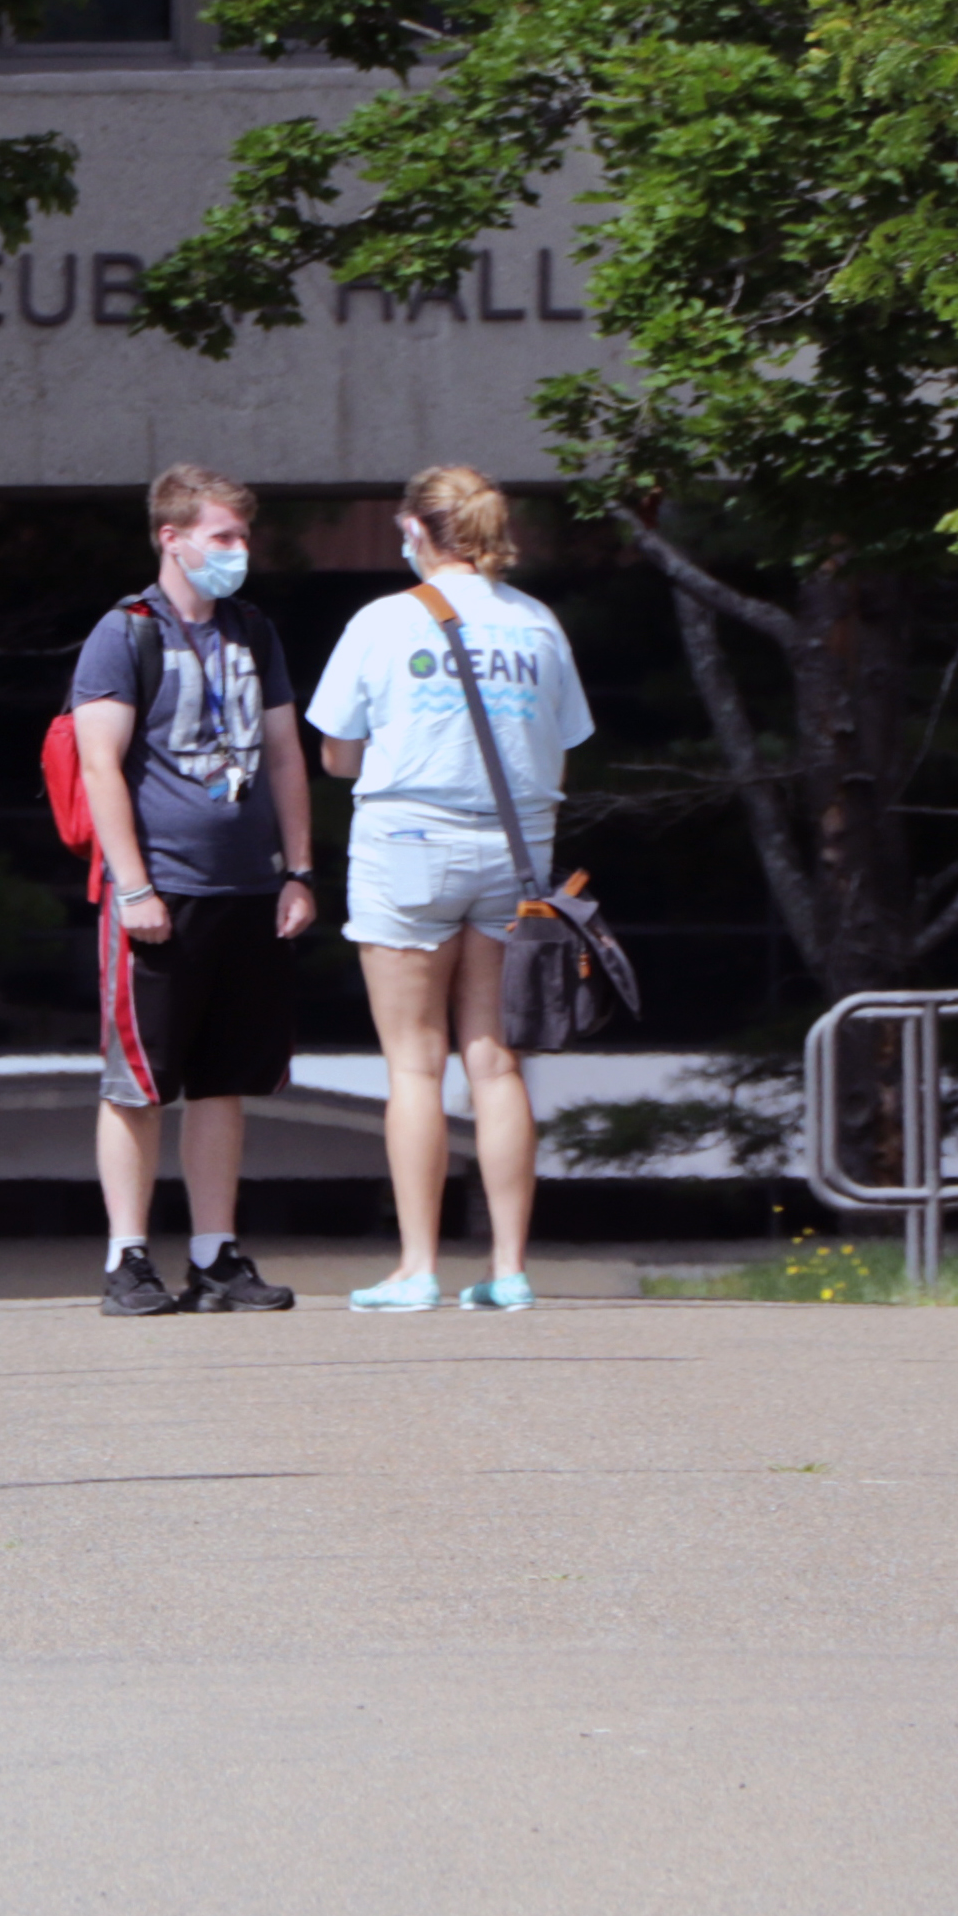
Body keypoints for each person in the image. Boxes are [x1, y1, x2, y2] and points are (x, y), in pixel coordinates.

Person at [304, 466, 596, 1315]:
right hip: (516, 853)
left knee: (413, 1064)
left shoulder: (385, 621)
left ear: (419, 531)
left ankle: (417, 1268)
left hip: (408, 844)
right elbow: (561, 747)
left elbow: (337, 753)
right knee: (496, 1062)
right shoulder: (539, 626)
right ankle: (507, 1269)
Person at [72, 464, 320, 1317]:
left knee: (224, 1081)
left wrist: (298, 871)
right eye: (223, 537)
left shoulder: (254, 630)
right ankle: (126, 1258)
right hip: (161, 893)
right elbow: (99, 762)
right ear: (171, 538)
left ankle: (216, 1257)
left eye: (244, 537)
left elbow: (285, 754)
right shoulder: (125, 632)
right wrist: (134, 886)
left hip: (250, 889)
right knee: (139, 1083)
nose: (238, 552)